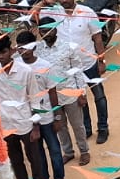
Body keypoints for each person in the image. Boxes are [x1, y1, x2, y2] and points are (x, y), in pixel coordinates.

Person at [37, 0, 109, 145]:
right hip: (70, 68)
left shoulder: (87, 12)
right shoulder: (53, 13)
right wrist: (45, 1)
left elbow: (97, 38)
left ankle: (103, 128)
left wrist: (101, 60)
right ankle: (87, 129)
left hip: (89, 63)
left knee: (99, 96)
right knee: (79, 99)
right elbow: (32, 16)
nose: (64, 0)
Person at [0, 35, 50, 179]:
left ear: (11, 51)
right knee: (16, 163)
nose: (0, 57)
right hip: (6, 126)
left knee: (35, 160)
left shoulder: (25, 71)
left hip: (25, 122)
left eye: (3, 52)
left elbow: (35, 98)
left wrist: (36, 126)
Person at [36, 22, 93, 166]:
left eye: (48, 30)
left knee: (78, 125)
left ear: (55, 30)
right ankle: (68, 152)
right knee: (60, 126)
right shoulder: (38, 50)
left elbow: (77, 71)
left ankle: (84, 151)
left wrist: (82, 93)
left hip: (71, 93)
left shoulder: (68, 47)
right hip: (52, 97)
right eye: (42, 31)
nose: (46, 34)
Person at [16, 29, 66, 179]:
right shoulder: (16, 66)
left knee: (54, 148)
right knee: (36, 152)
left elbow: (52, 92)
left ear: (34, 47)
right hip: (27, 117)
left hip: (46, 116)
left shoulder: (45, 66)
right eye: (20, 47)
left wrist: (57, 116)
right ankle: (43, 178)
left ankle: (59, 178)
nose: (23, 51)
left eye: (26, 47)